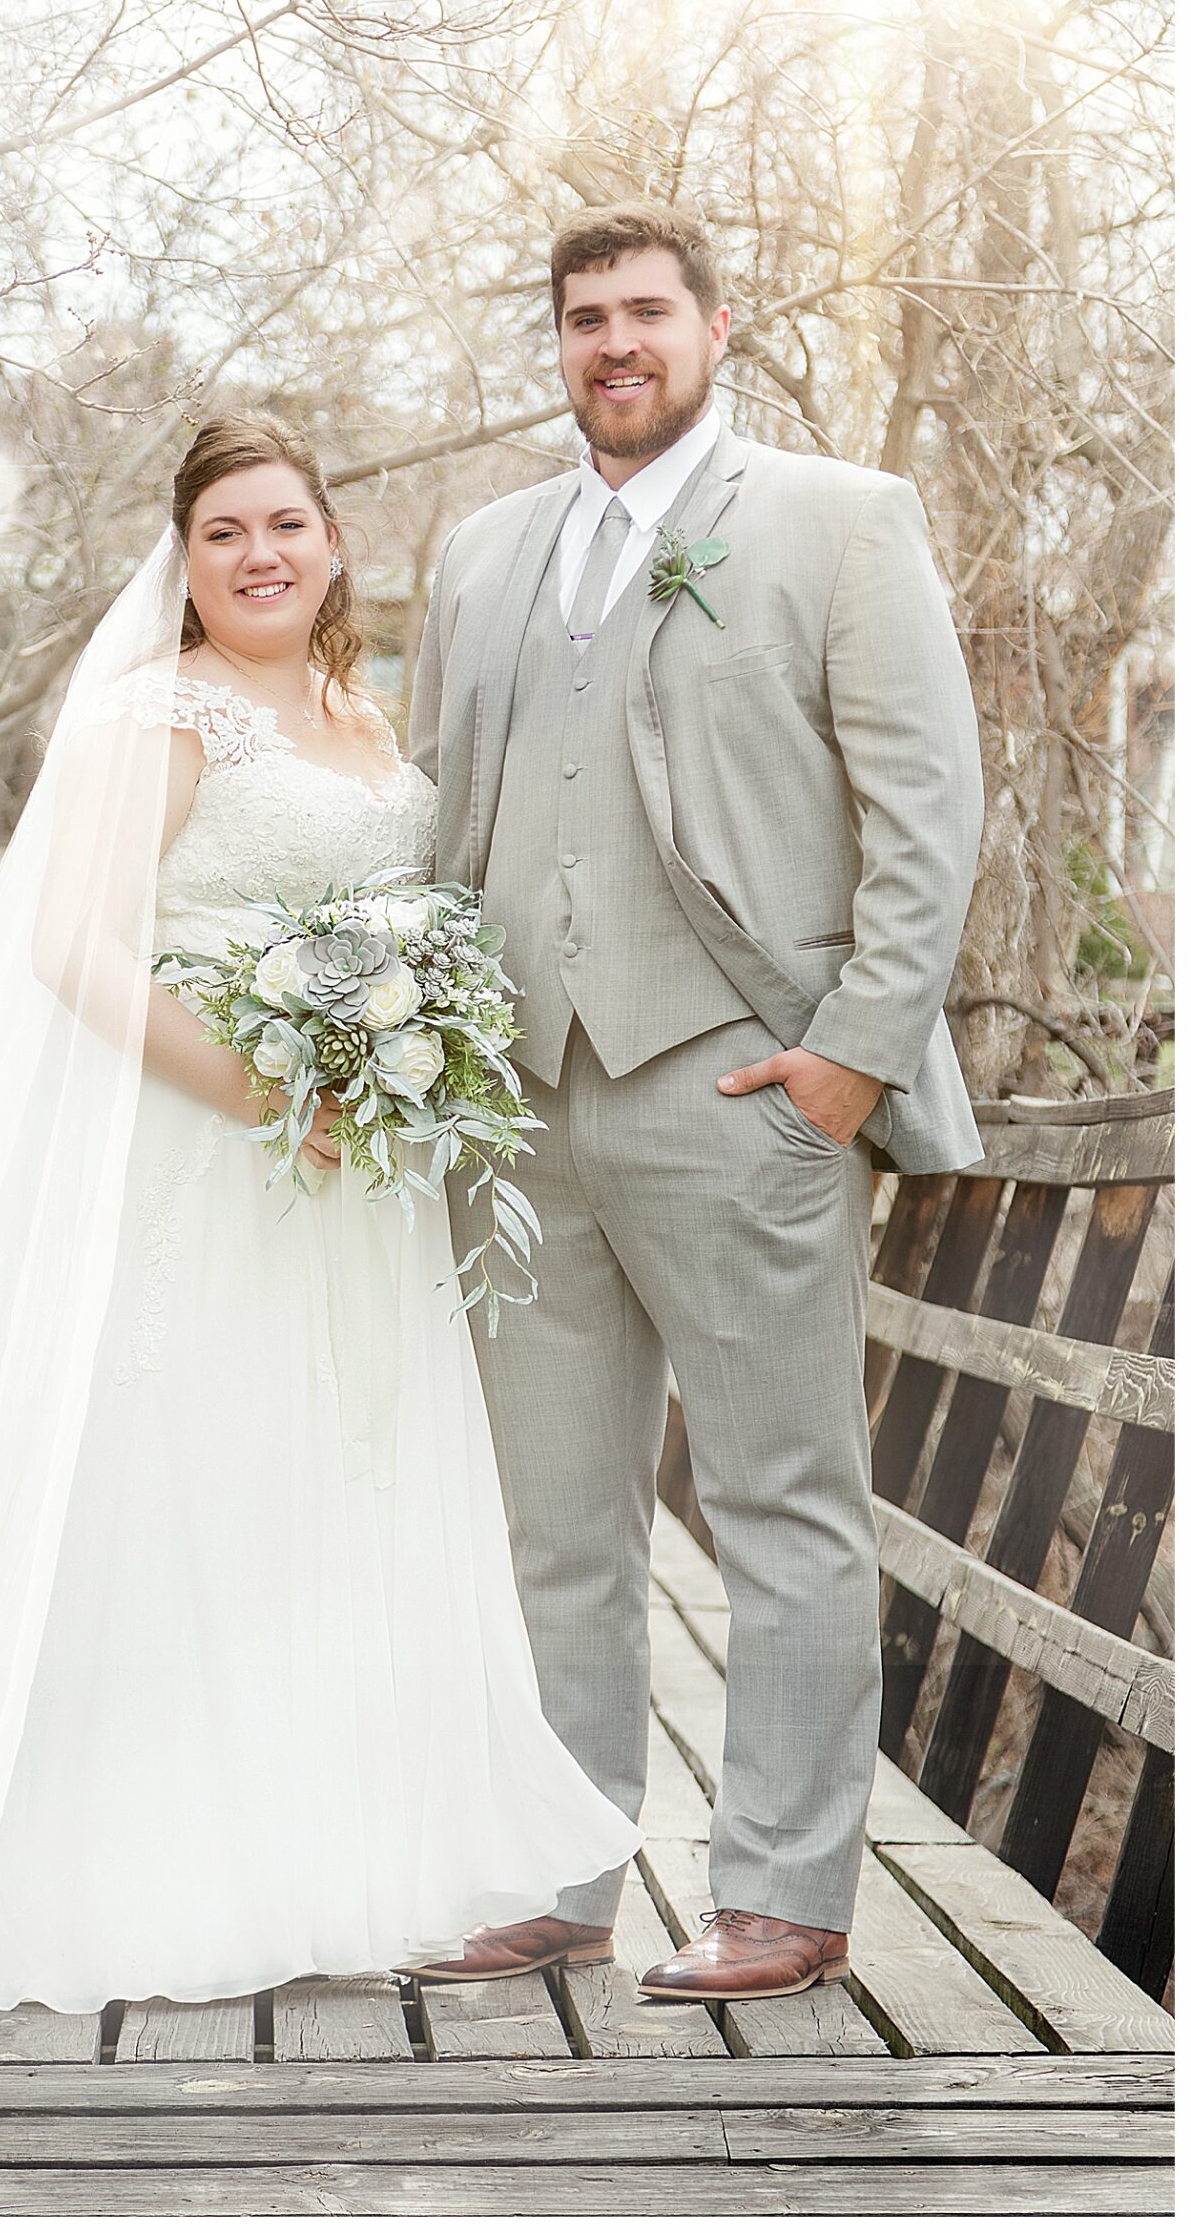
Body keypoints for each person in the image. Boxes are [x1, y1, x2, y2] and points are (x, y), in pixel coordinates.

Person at [0, 411, 640, 2020]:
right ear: (184, 561)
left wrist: (390, 1061)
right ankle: (125, 1860)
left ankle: (305, 1854)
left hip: (351, 1183)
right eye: (223, 534)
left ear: (334, 543)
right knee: (178, 1477)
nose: (259, 554)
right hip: (210, 1151)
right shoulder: (164, 711)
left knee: (318, 1492)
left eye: (284, 523)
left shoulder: (361, 714)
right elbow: (74, 946)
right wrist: (274, 1091)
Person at [408, 201, 984, 1999]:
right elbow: (435, 809)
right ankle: (563, 1875)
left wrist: (849, 1059)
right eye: (583, 318)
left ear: (713, 330)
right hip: (517, 1110)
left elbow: (925, 814)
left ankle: (786, 1895)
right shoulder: (484, 551)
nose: (613, 344)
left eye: (645, 312)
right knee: (554, 1519)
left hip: (738, 1093)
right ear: (558, 343)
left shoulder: (835, 523)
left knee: (779, 1503)